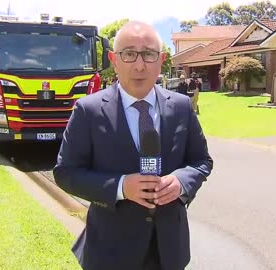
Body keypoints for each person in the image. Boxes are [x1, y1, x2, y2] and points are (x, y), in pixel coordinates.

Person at [53, 21, 213, 270]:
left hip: (169, 251)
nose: (139, 65)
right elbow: (65, 173)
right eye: (128, 54)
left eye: (148, 54)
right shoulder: (88, 110)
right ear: (113, 59)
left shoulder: (182, 107)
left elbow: (201, 161)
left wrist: (182, 181)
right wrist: (120, 187)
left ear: (161, 59)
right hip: (109, 253)